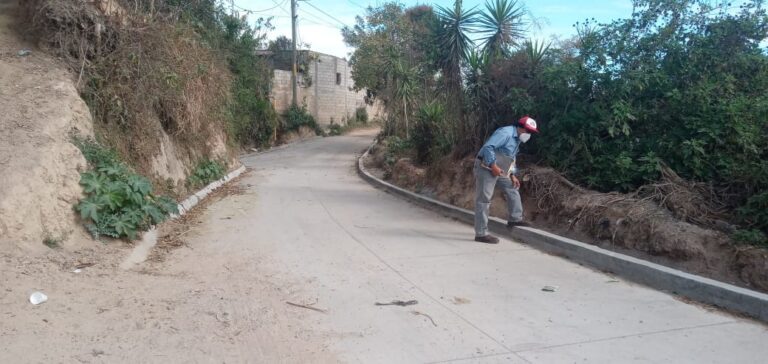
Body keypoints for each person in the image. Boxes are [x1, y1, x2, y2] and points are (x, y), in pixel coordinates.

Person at [473, 116, 539, 244]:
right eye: (528, 131)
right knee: (484, 199)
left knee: (512, 187)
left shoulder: (517, 139)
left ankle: (515, 219)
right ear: (520, 127)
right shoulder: (505, 133)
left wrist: (512, 175)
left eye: (531, 132)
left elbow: (510, 157)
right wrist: (493, 166)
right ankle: (481, 234)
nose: (529, 135)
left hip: (500, 169)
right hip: (486, 167)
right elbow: (488, 147)